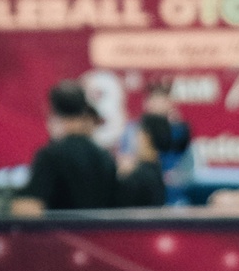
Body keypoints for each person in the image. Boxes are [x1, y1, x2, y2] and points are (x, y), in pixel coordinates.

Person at [12, 81, 119, 214]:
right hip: (101, 228)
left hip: (59, 228)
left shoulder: (50, 156)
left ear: (53, 113)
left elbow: (28, 207)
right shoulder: (106, 157)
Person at [114, 111, 171, 209]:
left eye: (137, 133)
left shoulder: (137, 177)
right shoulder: (157, 171)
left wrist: (119, 176)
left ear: (145, 136)